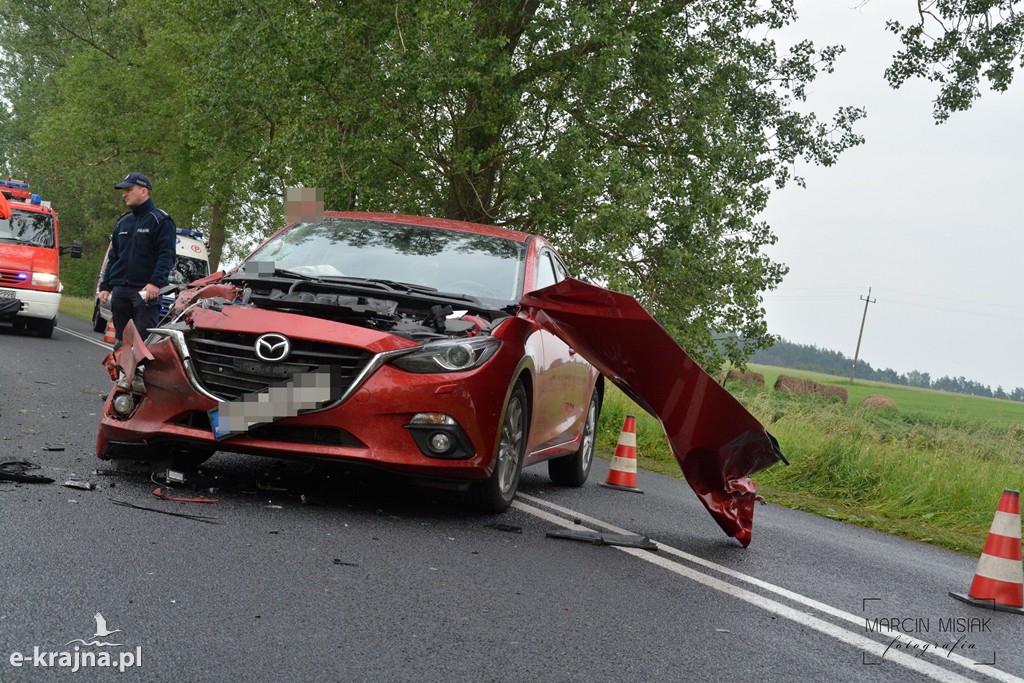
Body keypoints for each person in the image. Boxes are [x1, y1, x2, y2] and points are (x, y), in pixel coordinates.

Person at [98, 172, 177, 346]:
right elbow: (114, 256)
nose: (124, 194)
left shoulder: (161, 220)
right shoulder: (123, 222)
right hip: (120, 292)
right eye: (123, 190)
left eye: (128, 189)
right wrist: (106, 286)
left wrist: (156, 282)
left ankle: (139, 372)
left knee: (141, 344)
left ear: (144, 191)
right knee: (122, 342)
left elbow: (167, 255)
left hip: (145, 293)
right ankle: (122, 373)